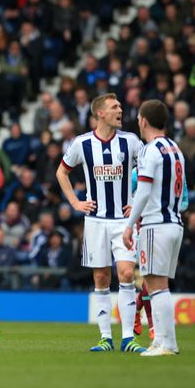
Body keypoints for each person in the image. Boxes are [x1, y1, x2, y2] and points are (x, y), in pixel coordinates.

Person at [56, 93, 146, 353]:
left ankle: (128, 338)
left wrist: (138, 202)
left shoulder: (131, 141)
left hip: (124, 221)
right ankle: (106, 337)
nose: (121, 110)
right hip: (95, 220)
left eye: (120, 106)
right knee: (101, 277)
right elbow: (62, 172)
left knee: (128, 273)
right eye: (115, 107)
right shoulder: (81, 144)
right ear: (100, 114)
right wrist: (74, 202)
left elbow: (148, 170)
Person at [122, 99, 186, 356]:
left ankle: (167, 343)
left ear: (144, 121)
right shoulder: (175, 148)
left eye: (138, 118)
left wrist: (129, 226)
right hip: (174, 223)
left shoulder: (151, 150)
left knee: (156, 285)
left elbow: (144, 190)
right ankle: (160, 341)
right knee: (160, 285)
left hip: (155, 225)